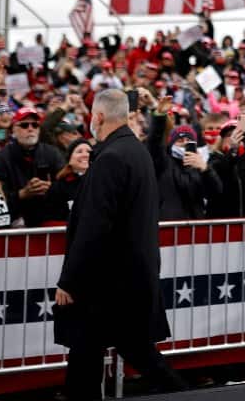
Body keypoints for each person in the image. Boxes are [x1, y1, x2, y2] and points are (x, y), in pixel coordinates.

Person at [54, 90, 186, 399]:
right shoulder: (134, 151)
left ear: (97, 117)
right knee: (99, 352)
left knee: (115, 352)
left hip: (109, 282)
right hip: (126, 277)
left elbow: (93, 226)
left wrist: (69, 280)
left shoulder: (111, 158)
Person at [0, 107, 64, 226]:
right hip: (15, 222)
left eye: (35, 125)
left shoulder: (52, 153)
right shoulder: (1, 158)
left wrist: (51, 188)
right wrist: (22, 194)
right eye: (24, 125)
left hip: (48, 218)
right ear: (13, 130)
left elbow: (66, 187)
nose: (30, 129)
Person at [41, 138, 90, 223]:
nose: (85, 155)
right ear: (69, 159)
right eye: (79, 151)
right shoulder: (58, 187)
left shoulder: (103, 182)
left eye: (89, 152)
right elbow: (50, 218)